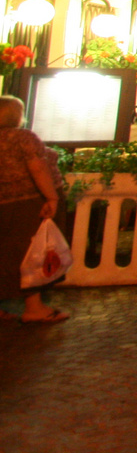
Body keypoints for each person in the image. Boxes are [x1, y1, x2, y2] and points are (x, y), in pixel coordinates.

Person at [0, 94, 69, 324]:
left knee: (4, 252)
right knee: (30, 253)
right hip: (25, 204)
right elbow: (38, 168)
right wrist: (51, 198)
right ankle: (33, 307)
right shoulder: (23, 138)